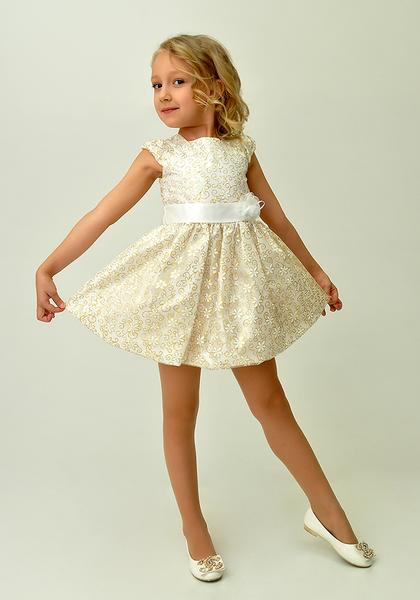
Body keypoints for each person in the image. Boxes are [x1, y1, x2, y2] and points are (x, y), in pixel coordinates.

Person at [35, 33, 376, 581]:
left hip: (239, 291)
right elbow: (102, 215)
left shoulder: (241, 150)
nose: (163, 94)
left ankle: (326, 512)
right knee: (180, 412)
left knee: (271, 402)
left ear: (215, 89)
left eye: (177, 81)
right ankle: (194, 528)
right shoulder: (159, 154)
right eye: (156, 84)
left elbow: (276, 216)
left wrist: (315, 270)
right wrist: (49, 266)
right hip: (178, 291)